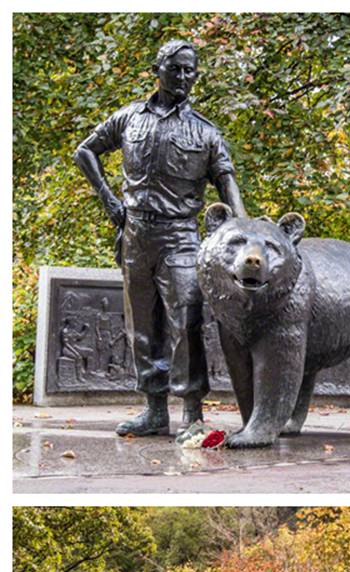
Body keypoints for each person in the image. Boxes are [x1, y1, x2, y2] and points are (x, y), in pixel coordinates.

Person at [74, 40, 246, 438]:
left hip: (181, 236)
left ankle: (191, 414)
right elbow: (86, 152)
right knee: (142, 324)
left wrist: (243, 228)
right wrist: (110, 203)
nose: (184, 77)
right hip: (134, 233)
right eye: (177, 69)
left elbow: (226, 181)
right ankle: (154, 410)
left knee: (185, 322)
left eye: (191, 71)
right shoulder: (129, 118)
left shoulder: (205, 132)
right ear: (158, 69)